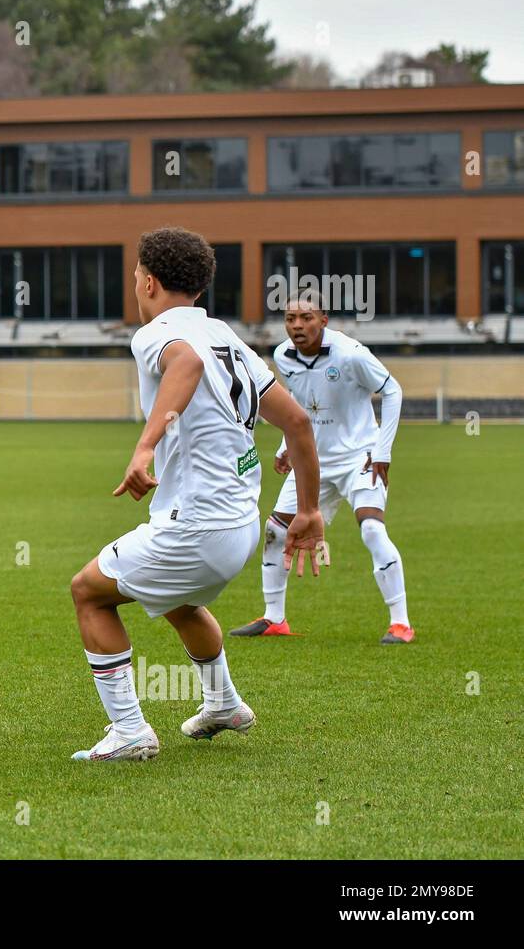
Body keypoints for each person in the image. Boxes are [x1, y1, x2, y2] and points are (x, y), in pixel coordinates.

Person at [68, 228, 324, 762]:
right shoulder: (227, 337)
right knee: (179, 601)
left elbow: (184, 365)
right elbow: (298, 422)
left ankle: (131, 732)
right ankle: (224, 704)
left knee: (89, 592)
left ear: (151, 282)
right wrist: (308, 510)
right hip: (241, 528)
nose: (135, 285)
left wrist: (144, 448)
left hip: (197, 525)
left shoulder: (157, 332)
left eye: (137, 276)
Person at [229, 291, 410, 644]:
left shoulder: (351, 354)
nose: (297, 325)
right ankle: (274, 618)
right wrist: (286, 445)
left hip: (360, 458)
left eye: (306, 318)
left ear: (324, 320)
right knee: (275, 531)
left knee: (372, 529)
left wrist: (382, 450)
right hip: (311, 461)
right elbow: (298, 403)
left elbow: (393, 391)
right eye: (290, 319)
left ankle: (400, 623)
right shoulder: (283, 355)